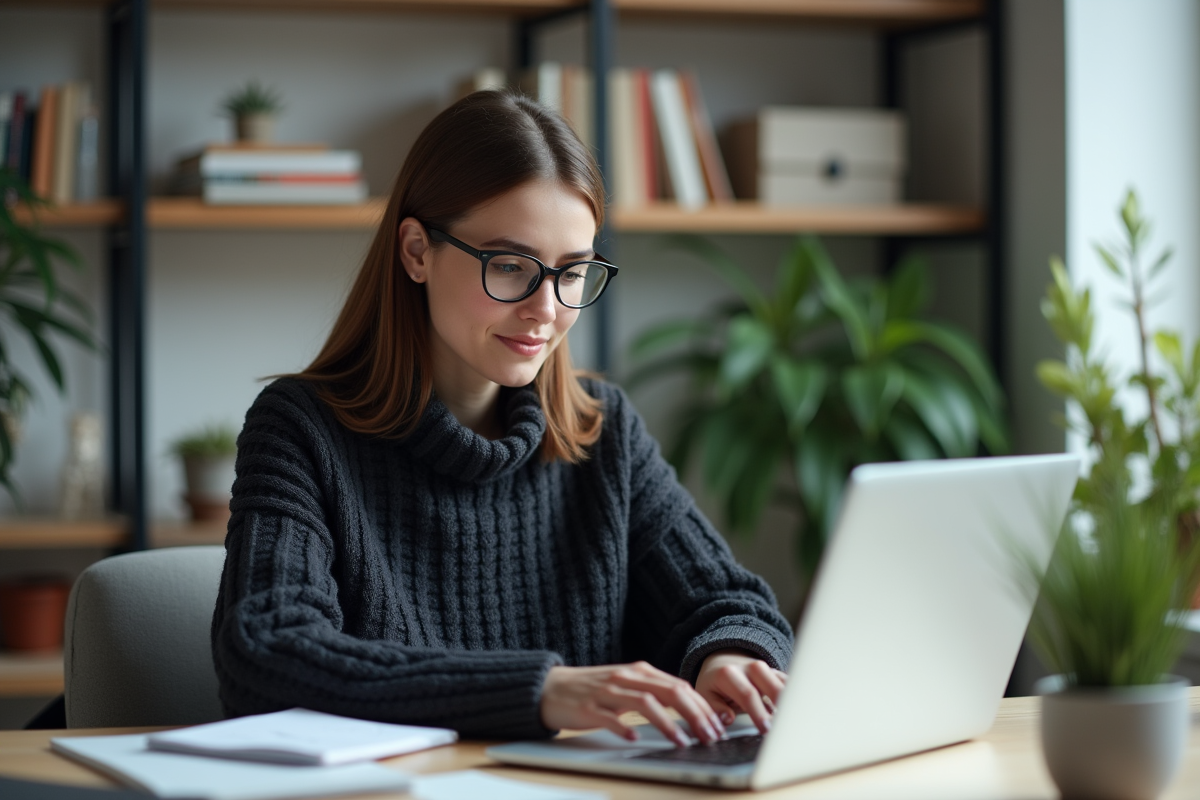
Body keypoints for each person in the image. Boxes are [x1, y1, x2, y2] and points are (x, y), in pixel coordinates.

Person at [211, 89, 794, 749]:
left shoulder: (605, 430)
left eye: (573, 272)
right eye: (511, 266)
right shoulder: (301, 428)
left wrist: (729, 656)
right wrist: (541, 692)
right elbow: (268, 654)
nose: (547, 308)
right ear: (415, 252)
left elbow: (729, 604)